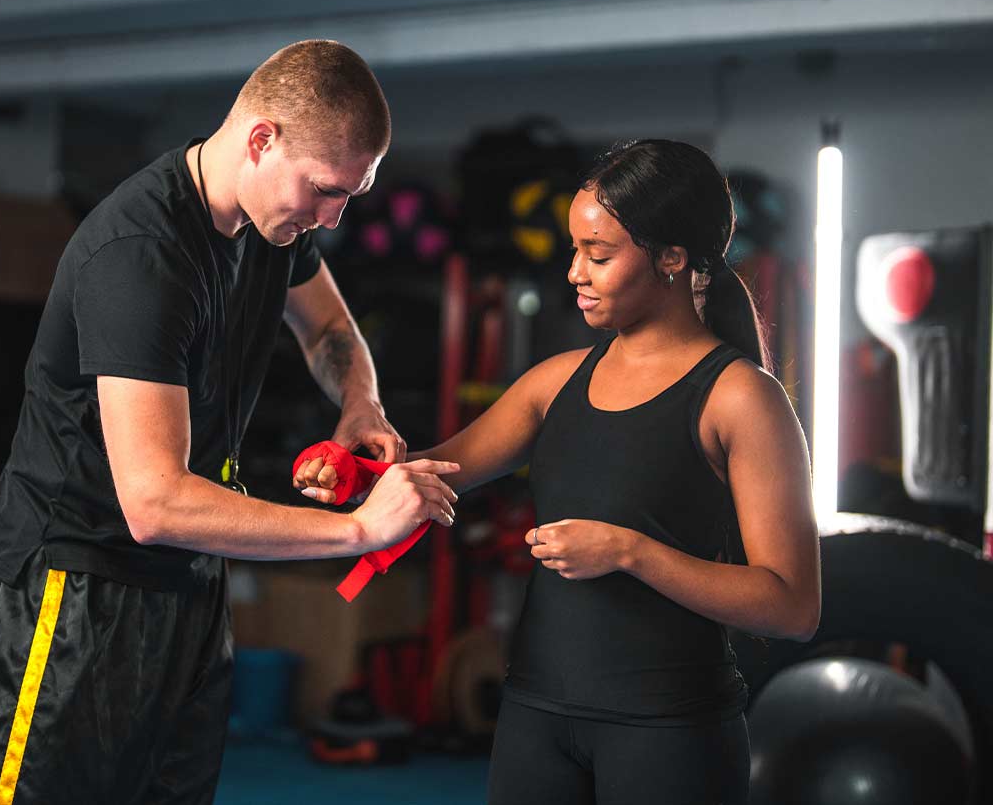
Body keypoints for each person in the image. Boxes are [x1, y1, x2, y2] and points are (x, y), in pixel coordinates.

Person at [0, 39, 459, 805]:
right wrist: (360, 530)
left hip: (187, 585)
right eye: (325, 189)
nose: (331, 217)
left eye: (350, 199)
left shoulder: (271, 229)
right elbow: (155, 502)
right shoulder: (143, 255)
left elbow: (329, 333)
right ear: (262, 140)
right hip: (75, 586)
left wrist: (362, 404)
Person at [298, 139, 821, 804]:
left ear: (671, 259)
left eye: (599, 256)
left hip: (670, 732)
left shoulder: (741, 399)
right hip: (536, 719)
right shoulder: (554, 383)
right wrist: (347, 473)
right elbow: (436, 474)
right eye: (575, 250)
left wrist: (631, 552)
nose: (575, 272)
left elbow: (792, 605)